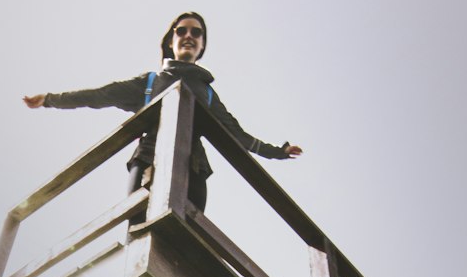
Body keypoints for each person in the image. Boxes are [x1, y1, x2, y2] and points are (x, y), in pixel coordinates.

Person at [23, 12, 302, 213]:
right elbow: (99, 96)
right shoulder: (150, 83)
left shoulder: (206, 93)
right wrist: (49, 99)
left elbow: (238, 136)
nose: (189, 36)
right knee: (139, 229)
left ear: (202, 45)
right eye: (182, 31)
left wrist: (278, 151)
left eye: (196, 33)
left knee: (189, 241)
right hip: (147, 164)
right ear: (171, 40)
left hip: (193, 173)